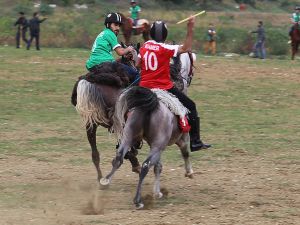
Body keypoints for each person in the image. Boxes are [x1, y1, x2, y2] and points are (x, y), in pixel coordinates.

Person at [136, 18, 211, 152]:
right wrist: (190, 28)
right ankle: (195, 141)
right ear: (165, 35)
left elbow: (137, 65)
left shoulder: (145, 46)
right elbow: (186, 48)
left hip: (144, 86)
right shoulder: (166, 48)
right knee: (191, 106)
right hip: (163, 88)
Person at [86, 12, 139, 83]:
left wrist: (125, 53)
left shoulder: (103, 33)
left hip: (92, 64)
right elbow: (120, 52)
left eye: (119, 26)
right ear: (108, 24)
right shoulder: (110, 34)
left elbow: (120, 50)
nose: (118, 28)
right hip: (104, 63)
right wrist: (129, 48)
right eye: (115, 25)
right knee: (134, 74)